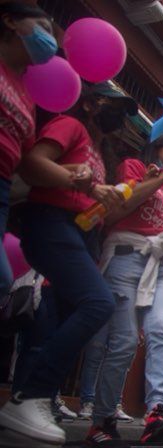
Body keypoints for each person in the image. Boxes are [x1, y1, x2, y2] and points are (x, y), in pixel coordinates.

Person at [0, 82, 134, 448]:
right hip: (50, 222)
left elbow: (103, 206)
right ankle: (31, 396)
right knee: (99, 303)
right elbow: (33, 164)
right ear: (91, 105)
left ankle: (29, 408)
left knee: (55, 323)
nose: (120, 118)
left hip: (79, 236)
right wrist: (84, 184)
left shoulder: (99, 153)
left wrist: (108, 196)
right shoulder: (69, 126)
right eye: (114, 106)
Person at [77, 135, 163, 448]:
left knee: (161, 330)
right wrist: (162, 174)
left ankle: (155, 413)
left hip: (157, 268)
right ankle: (101, 422)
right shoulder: (134, 167)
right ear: (155, 149)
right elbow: (119, 207)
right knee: (123, 342)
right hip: (125, 260)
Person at [0, 2, 58, 300]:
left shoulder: (27, 97)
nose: (50, 41)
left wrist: (69, 175)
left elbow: (26, 162)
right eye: (44, 29)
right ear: (10, 21)